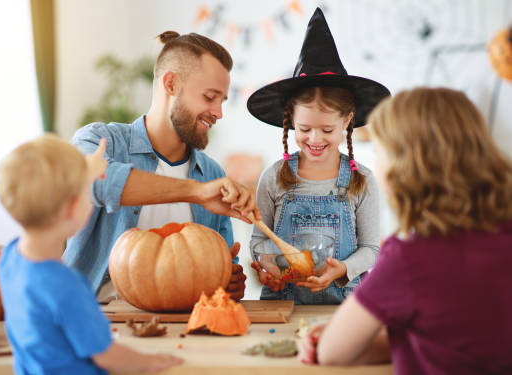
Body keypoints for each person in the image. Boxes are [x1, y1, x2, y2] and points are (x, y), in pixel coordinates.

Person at [301, 87, 512, 373]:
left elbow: (332, 352)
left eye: (379, 152)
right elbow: (453, 340)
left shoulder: (408, 260)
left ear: (404, 167)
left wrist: (332, 336)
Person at [63, 31, 259, 301]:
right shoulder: (99, 141)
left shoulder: (212, 174)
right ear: (171, 84)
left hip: (182, 333)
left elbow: (218, 282)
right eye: (209, 97)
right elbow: (98, 181)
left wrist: (228, 282)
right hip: (95, 322)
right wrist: (195, 192)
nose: (218, 112)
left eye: (221, 101)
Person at [0, 135, 183, 374]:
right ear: (73, 208)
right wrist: (151, 362)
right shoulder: (66, 286)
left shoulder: (10, 258)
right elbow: (107, 357)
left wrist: (86, 172)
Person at [246, 8, 389, 304]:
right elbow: (260, 239)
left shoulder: (361, 180)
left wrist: (343, 269)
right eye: (304, 128)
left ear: (347, 121)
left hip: (343, 309)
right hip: (281, 305)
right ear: (290, 123)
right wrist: (266, 263)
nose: (314, 139)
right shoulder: (273, 177)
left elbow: (371, 249)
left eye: (326, 129)